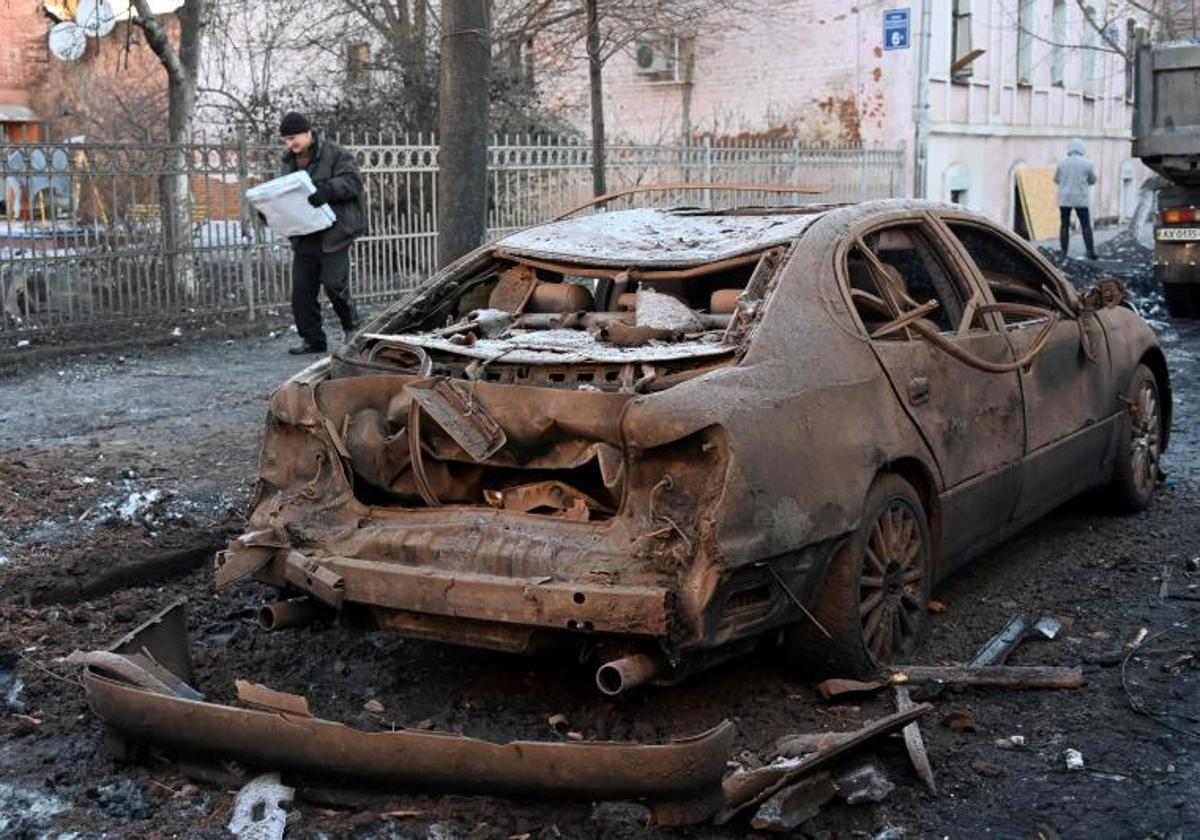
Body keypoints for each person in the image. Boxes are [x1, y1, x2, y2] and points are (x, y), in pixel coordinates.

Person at [277, 111, 365, 354]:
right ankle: (313, 340)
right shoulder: (288, 162)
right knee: (301, 293)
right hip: (304, 234)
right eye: (285, 139)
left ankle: (352, 328)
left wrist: (327, 189)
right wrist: (270, 210)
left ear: (308, 133)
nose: (290, 143)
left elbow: (354, 182)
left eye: (293, 137)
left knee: (335, 285)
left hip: (334, 233)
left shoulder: (335, 153)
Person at [1054, 138, 1098, 260]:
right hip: (1081, 198)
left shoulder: (1062, 163)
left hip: (1065, 198)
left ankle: (1063, 252)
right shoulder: (1087, 164)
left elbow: (1056, 180)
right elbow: (1093, 180)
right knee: (1085, 225)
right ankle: (1090, 251)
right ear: (1081, 149)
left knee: (1064, 225)